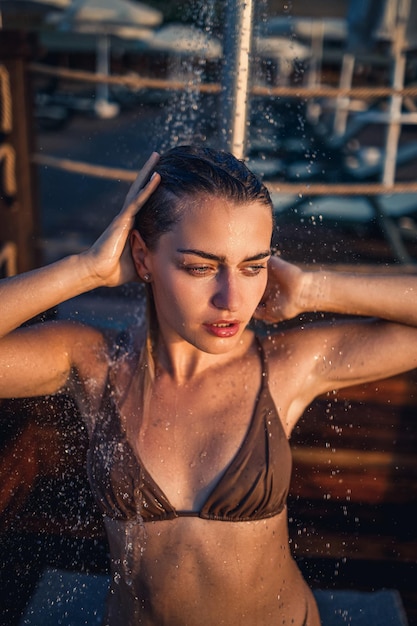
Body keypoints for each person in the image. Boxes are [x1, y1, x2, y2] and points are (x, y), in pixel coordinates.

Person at [1, 145, 417, 626]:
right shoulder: (93, 363)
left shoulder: (285, 366)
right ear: (142, 256)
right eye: (200, 268)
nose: (231, 300)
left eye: (253, 266)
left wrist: (313, 290)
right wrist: (86, 269)